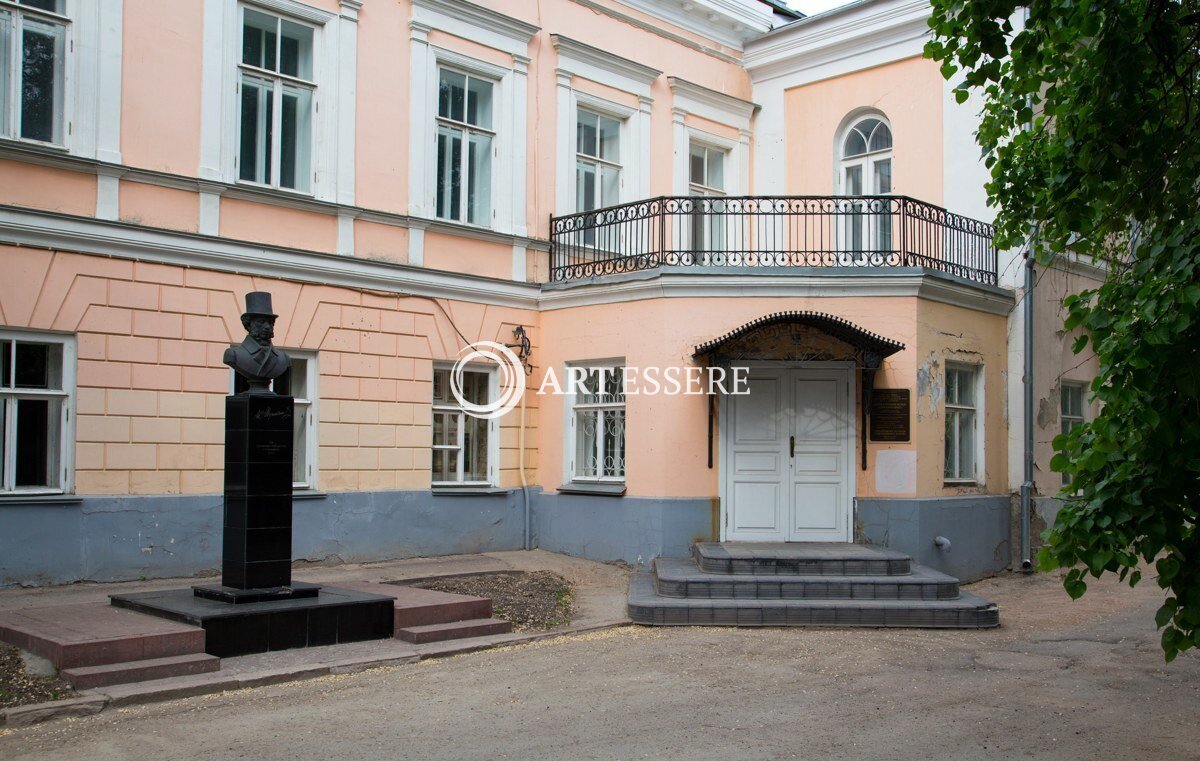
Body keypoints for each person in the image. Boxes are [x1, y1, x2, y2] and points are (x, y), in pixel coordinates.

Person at [223, 291, 291, 393]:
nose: (267, 327)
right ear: (248, 324)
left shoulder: (284, 359)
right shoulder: (233, 355)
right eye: (261, 321)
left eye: (270, 322)